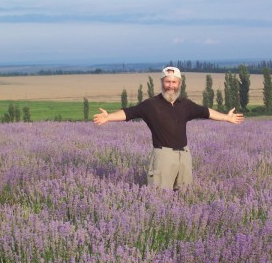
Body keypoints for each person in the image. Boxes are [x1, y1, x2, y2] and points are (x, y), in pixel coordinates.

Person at [93, 66, 244, 190]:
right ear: (162, 83)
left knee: (185, 195)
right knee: (159, 197)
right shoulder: (151, 105)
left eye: (174, 82)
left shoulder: (185, 104)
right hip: (163, 156)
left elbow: (206, 112)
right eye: (167, 82)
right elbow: (129, 113)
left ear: (179, 84)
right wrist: (109, 117)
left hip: (184, 156)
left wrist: (226, 117)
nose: (170, 86)